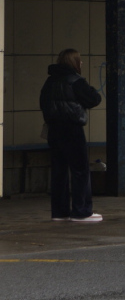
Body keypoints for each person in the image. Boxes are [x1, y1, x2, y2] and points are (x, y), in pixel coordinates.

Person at [40, 49, 103, 223]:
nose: (81, 63)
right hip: (73, 130)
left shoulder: (49, 81)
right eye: (79, 61)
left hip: (54, 130)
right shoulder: (76, 81)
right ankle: (81, 211)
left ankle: (59, 212)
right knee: (80, 170)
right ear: (74, 62)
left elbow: (42, 103)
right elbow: (94, 99)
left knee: (59, 171)